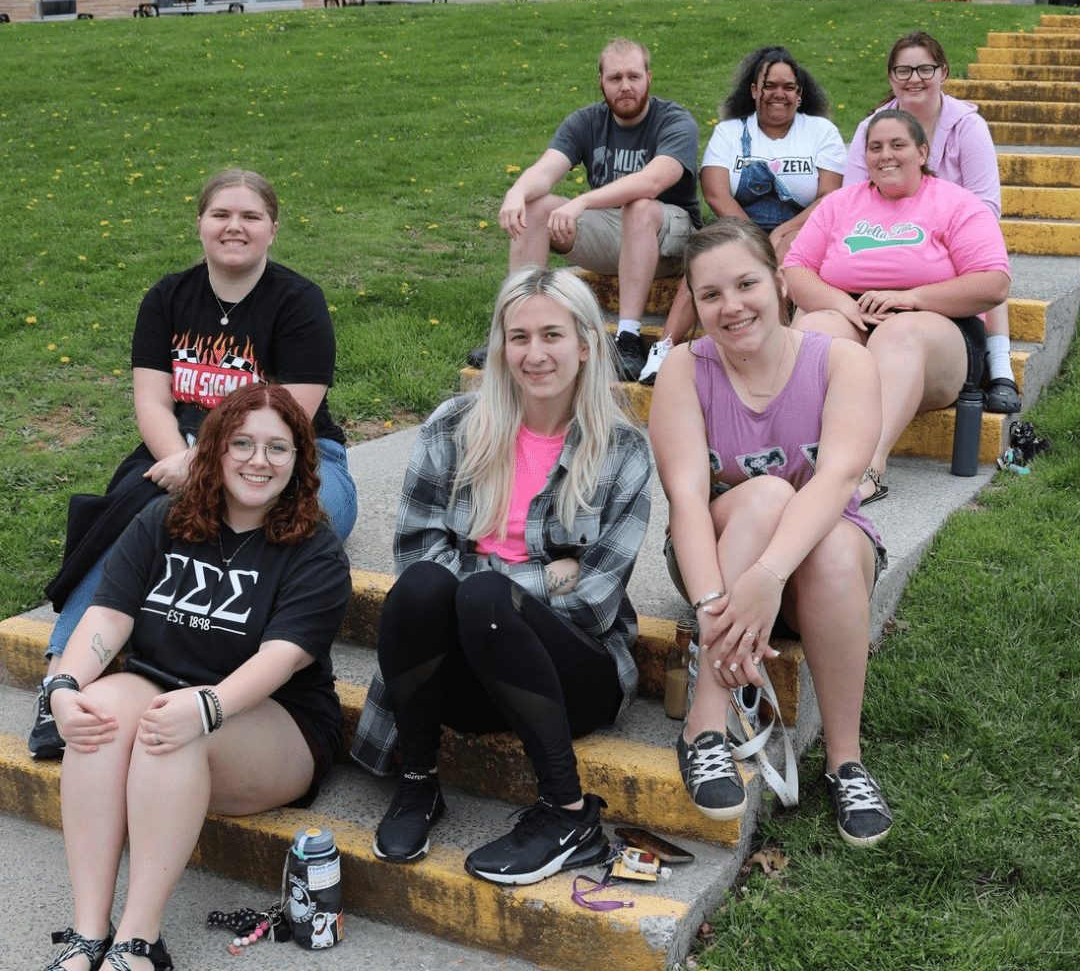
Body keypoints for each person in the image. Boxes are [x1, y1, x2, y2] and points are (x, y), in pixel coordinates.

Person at [30, 170, 357, 761]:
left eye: (251, 216)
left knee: (313, 516)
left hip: (294, 454)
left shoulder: (297, 301)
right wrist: (188, 460)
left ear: (273, 229)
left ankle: (226, 666)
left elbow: (294, 417)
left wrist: (212, 466)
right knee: (133, 519)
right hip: (174, 448)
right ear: (200, 224)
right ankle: (62, 680)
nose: (235, 226)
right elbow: (151, 401)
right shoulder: (167, 297)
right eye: (221, 214)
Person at [352, 267, 651, 885]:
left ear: (587, 344)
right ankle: (418, 785)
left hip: (574, 674)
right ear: (499, 344)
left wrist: (498, 589)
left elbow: (595, 601)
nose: (534, 354)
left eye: (552, 335)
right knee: (425, 591)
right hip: (470, 667)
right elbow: (416, 555)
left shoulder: (622, 450)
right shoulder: (453, 426)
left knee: (483, 594)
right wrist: (545, 575)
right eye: (518, 338)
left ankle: (568, 814)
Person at [42, 384, 351, 971]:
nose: (258, 461)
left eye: (277, 448)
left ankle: (138, 943)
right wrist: (63, 686)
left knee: (172, 733)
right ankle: (88, 933)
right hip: (163, 686)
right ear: (213, 448)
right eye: (242, 443)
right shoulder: (163, 520)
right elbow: (107, 615)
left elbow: (279, 661)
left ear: (300, 460)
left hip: (275, 724)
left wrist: (204, 707)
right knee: (96, 715)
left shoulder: (315, 550)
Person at [649, 217, 892, 847]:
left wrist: (769, 576)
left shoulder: (843, 363)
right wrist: (710, 603)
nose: (731, 307)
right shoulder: (684, 368)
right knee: (764, 497)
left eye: (746, 284)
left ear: (780, 282)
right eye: (710, 295)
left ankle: (846, 762)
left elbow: (840, 480)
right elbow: (686, 499)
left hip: (810, 570)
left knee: (836, 543)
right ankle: (705, 727)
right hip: (717, 564)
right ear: (695, 305)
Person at [785, 110, 1012, 504]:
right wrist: (842, 304)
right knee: (815, 329)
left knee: (898, 332)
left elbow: (994, 283)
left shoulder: (957, 204)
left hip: (938, 331)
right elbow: (796, 270)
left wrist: (912, 298)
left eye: (897, 145)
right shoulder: (839, 204)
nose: (885, 155)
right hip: (857, 314)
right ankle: (796, 458)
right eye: (875, 147)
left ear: (922, 152)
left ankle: (866, 470)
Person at [469, 37, 702, 381]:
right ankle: (515, 329)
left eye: (634, 77)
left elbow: (652, 182)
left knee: (639, 206)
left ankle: (627, 338)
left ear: (649, 78)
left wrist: (582, 202)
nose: (625, 86)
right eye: (615, 78)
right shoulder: (586, 122)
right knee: (536, 208)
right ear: (601, 83)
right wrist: (516, 192)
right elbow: (546, 170)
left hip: (671, 237)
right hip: (618, 233)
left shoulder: (674, 120)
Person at [639, 46, 845, 385]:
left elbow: (829, 195)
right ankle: (664, 349)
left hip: (803, 225)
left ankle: (776, 348)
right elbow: (716, 190)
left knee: (786, 251)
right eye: (769, 85)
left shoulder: (820, 131)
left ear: (799, 93)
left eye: (789, 87)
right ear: (753, 90)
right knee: (709, 256)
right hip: (737, 223)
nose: (779, 93)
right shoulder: (731, 132)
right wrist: (751, 235)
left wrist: (782, 230)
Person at [844, 30, 1020, 415]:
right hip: (889, 235)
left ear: (943, 72)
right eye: (903, 70)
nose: (914, 78)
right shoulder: (871, 128)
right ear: (891, 77)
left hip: (954, 238)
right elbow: (850, 202)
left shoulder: (967, 127)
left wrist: (939, 233)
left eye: (925, 68)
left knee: (988, 258)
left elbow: (986, 206)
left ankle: (1001, 367)